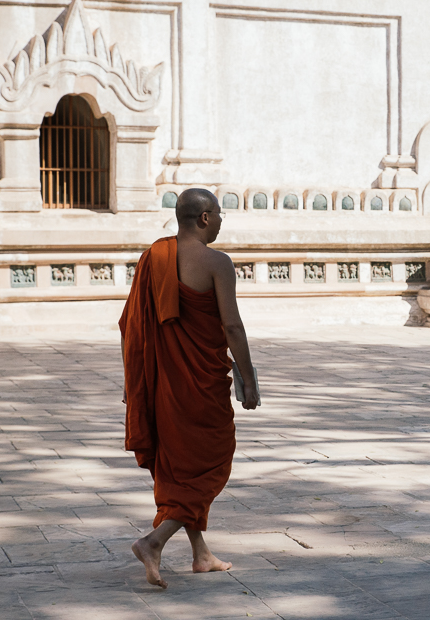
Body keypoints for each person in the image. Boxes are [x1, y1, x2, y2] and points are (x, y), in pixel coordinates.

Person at [119, 188, 260, 589]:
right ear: (203, 217)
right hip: (200, 385)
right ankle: (153, 542)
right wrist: (248, 378)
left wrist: (135, 382)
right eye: (219, 215)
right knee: (213, 459)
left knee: (180, 466)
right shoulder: (217, 262)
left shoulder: (153, 258)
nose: (221, 222)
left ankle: (201, 554)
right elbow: (232, 326)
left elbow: (132, 325)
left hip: (163, 383)